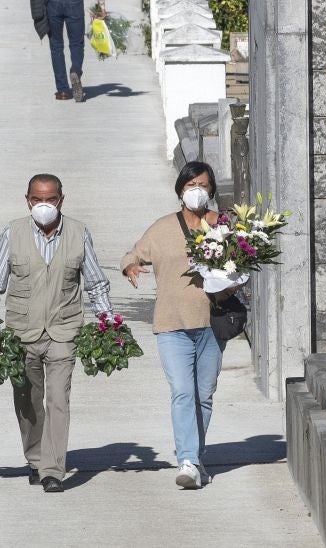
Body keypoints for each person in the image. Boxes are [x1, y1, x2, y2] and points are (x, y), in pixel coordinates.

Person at [0, 174, 114, 493]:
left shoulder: (79, 233)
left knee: (58, 400)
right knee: (27, 400)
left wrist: (108, 320)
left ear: (61, 200)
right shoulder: (11, 234)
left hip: (63, 332)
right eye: (37, 199)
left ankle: (53, 469)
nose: (44, 205)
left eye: (50, 199)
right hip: (21, 334)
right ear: (27, 200)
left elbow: (95, 282)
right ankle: (36, 458)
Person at [120, 161, 234, 490]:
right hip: (171, 325)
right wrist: (130, 267)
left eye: (202, 184)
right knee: (183, 392)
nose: (196, 190)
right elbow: (133, 254)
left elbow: (243, 265)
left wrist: (230, 285)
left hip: (211, 323)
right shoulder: (161, 229)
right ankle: (186, 459)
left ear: (211, 190)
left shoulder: (223, 228)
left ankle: (195, 460)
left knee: (204, 394)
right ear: (180, 190)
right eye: (190, 185)